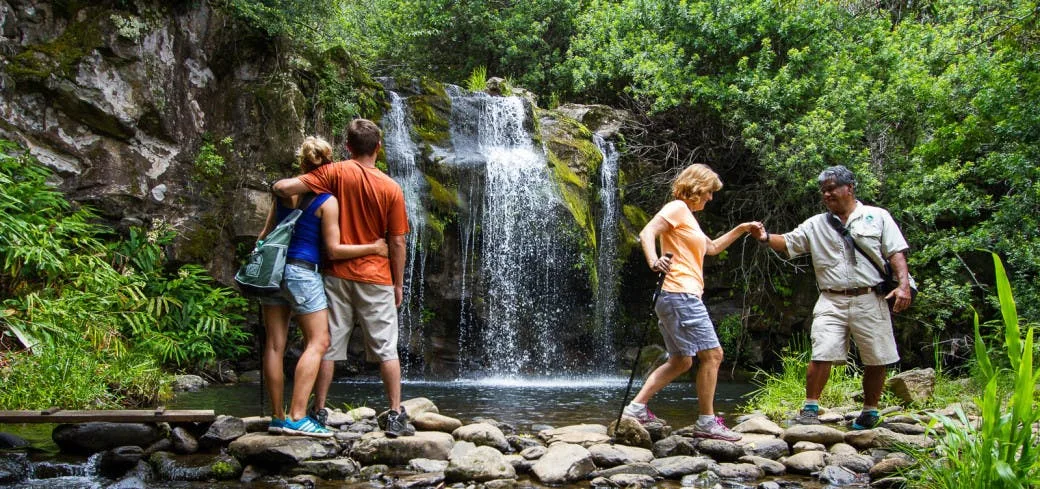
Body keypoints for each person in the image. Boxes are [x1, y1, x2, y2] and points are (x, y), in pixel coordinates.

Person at [273, 119, 413, 437]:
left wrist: (277, 192)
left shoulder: (334, 172)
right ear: (378, 148)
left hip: (335, 275)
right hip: (376, 277)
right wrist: (398, 282)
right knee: (386, 349)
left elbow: (288, 187)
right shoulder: (391, 188)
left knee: (328, 346)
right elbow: (397, 241)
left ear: (347, 147)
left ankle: (319, 409)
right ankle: (394, 413)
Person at [751, 165, 913, 430]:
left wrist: (904, 286)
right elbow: (790, 242)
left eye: (831, 189)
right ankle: (811, 408)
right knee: (821, 350)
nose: (826, 195)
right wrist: (766, 237)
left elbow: (896, 253)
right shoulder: (816, 224)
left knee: (876, 356)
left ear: (849, 188)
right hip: (831, 299)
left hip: (870, 297)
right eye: (823, 191)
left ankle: (870, 411)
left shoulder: (877, 216)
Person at [621, 163, 759, 441]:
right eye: (709, 192)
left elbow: (712, 248)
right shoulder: (677, 208)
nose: (710, 198)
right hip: (679, 294)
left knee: (682, 361)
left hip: (676, 296)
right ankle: (707, 422)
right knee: (713, 355)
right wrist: (653, 261)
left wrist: (742, 229)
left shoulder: (689, 218)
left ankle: (635, 408)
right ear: (697, 187)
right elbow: (648, 233)